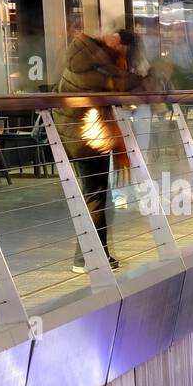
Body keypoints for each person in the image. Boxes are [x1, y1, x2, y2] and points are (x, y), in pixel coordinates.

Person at [55, 25, 143, 272]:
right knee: (95, 195)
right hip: (87, 136)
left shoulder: (85, 54)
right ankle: (89, 259)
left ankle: (89, 255)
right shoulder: (97, 64)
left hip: (79, 134)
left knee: (94, 195)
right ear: (119, 46)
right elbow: (121, 85)